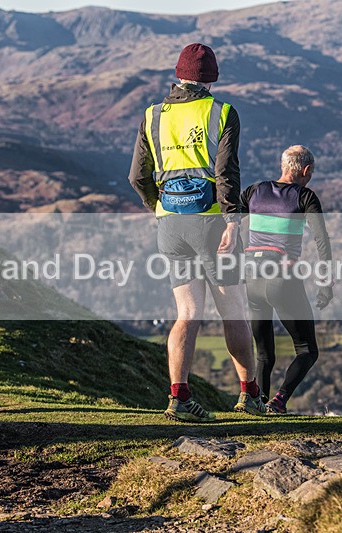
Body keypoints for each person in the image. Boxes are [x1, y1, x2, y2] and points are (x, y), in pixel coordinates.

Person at [128, 43, 266, 422]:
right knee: (233, 310)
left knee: (187, 312)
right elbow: (226, 173)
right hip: (213, 222)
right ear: (213, 77)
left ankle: (179, 398)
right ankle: (250, 397)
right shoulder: (222, 112)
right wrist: (234, 221)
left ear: (178, 74)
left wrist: (157, 206)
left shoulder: (152, 114)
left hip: (170, 224)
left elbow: (137, 176)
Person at [240, 145, 334, 414]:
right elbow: (321, 241)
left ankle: (256, 403)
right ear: (305, 170)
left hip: (252, 278)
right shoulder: (304, 196)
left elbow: (230, 222)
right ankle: (278, 401)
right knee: (307, 350)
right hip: (282, 279)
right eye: (311, 173)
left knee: (263, 353)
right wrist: (326, 283)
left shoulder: (254, 191)